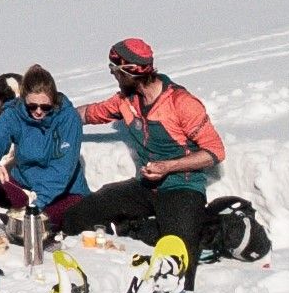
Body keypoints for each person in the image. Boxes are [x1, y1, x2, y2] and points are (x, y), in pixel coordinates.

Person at [44, 38, 225, 265]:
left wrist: (168, 166)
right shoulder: (126, 101)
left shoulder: (181, 103)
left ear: (130, 71)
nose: (113, 75)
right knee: (88, 208)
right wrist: (47, 119)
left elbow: (215, 151)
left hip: (183, 187)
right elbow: (88, 113)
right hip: (147, 185)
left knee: (178, 255)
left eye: (114, 70)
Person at [0, 64, 86, 211]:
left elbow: (62, 169)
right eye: (32, 106)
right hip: (24, 184)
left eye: (45, 107)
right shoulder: (13, 114)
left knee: (45, 221)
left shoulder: (68, 119)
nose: (38, 111)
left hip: (62, 190)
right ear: (24, 100)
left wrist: (37, 201)